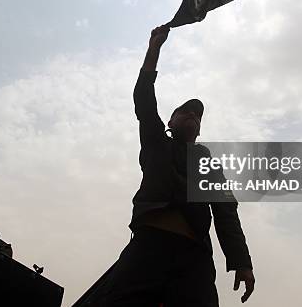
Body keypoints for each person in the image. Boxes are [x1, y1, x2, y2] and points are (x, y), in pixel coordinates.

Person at [99, 26, 255, 306]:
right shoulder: (157, 142)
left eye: (198, 115)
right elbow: (144, 101)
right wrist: (153, 50)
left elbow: (225, 212)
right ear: (170, 122)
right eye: (185, 111)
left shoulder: (206, 163)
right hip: (149, 245)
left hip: (193, 254)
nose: (193, 114)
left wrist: (242, 261)